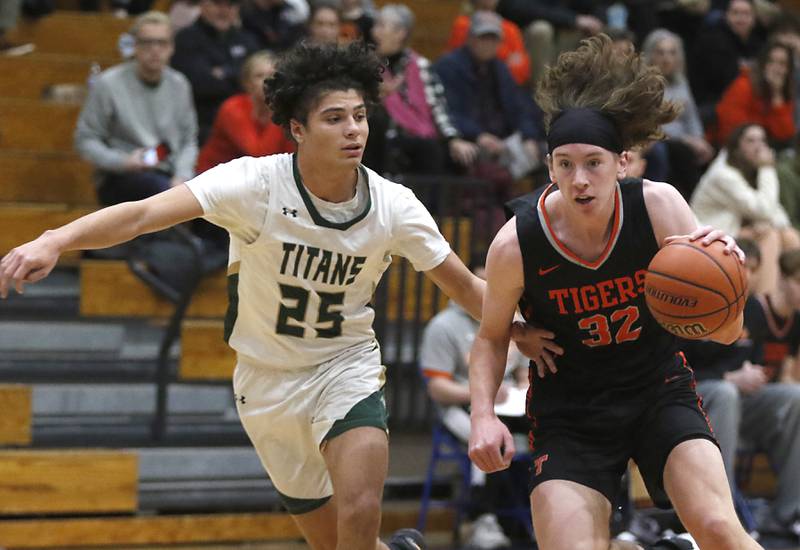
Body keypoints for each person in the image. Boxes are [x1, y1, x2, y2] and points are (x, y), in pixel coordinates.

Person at [0, 41, 545, 550]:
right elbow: (143, 214)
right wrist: (56, 238)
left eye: (359, 115)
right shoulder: (253, 184)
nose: (353, 129)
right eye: (334, 118)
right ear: (297, 129)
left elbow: (466, 287)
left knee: (360, 510)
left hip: (345, 367)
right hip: (266, 382)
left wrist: (522, 331)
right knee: (335, 542)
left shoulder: (394, 206)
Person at [467, 34, 762, 550]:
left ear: (623, 162)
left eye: (593, 163)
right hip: (570, 413)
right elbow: (491, 338)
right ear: (550, 167)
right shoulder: (518, 242)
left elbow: (727, 332)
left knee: (719, 529)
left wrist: (728, 277)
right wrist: (483, 416)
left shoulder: (659, 207)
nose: (578, 180)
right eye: (564, 164)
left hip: (657, 391)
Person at [682, 240, 800, 540]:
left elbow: (755, 363)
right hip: (694, 401)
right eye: (742, 268)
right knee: (725, 393)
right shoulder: (693, 303)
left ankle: (789, 513)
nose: (747, 276)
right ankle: (723, 510)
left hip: (738, 403)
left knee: (794, 396)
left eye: (753, 271)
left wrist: (753, 376)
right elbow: (675, 369)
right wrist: (729, 377)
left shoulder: (752, 312)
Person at [420, 254, 530, 549]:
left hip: (510, 405)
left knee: (555, 427)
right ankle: (482, 519)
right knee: (488, 440)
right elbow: (437, 388)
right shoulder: (442, 327)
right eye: (481, 281)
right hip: (458, 409)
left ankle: (530, 517)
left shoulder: (512, 318)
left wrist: (523, 383)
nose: (487, 288)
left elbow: (521, 368)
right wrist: (480, 394)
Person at [74, 11, 198, 207]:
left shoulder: (180, 84)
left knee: (213, 196)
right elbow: (85, 140)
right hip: (121, 175)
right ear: (134, 46)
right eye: (147, 43)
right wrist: (123, 162)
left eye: (162, 43)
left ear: (172, 47)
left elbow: (188, 141)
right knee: (160, 191)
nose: (155, 50)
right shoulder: (108, 83)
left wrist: (182, 176)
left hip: (170, 173)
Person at [362, 3, 478, 177]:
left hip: (418, 135)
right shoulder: (365, 65)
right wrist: (377, 96)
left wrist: (453, 139)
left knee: (435, 150)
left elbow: (438, 108)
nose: (374, 32)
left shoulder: (421, 65)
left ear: (400, 33)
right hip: (379, 135)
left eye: (381, 26)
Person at [691, 123, 800, 294]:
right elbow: (764, 209)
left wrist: (764, 223)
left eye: (763, 140)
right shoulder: (723, 174)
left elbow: (779, 218)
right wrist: (767, 168)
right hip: (709, 237)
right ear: (736, 146)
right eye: (751, 140)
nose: (759, 146)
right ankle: (765, 304)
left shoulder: (751, 170)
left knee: (788, 235)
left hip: (734, 232)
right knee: (770, 236)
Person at [171, 0, 259, 143]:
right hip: (204, 123)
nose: (223, 11)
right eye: (217, 3)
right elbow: (200, 84)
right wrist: (239, 75)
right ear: (202, 5)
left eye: (230, 5)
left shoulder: (248, 39)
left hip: (247, 120)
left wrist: (223, 73)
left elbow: (259, 80)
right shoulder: (185, 39)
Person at [641, 28, 714, 198]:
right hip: (658, 140)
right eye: (661, 53)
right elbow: (651, 126)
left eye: (672, 53)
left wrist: (699, 139)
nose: (667, 59)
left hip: (683, 141)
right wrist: (687, 140)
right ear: (650, 55)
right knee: (678, 151)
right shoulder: (643, 85)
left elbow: (692, 117)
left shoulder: (681, 82)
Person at [196, 50, 294, 174]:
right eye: (259, 76)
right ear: (247, 83)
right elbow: (260, 155)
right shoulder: (233, 108)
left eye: (273, 75)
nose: (268, 81)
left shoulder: (287, 109)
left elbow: (291, 156)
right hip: (211, 178)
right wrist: (281, 109)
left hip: (257, 178)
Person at [715, 41, 796, 149]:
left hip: (767, 147)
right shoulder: (743, 86)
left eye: (782, 64)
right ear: (762, 64)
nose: (776, 68)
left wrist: (777, 95)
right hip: (738, 147)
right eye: (770, 61)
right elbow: (732, 130)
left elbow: (785, 135)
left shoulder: (783, 92)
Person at [445, 0, 531, 87]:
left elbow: (521, 73)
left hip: (503, 90)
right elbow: (459, 64)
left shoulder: (511, 29)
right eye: (484, 38)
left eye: (493, 38)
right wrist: (505, 58)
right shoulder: (462, 25)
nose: (488, 44)